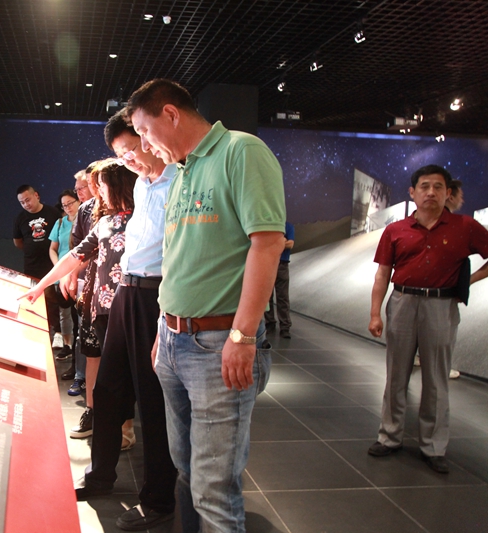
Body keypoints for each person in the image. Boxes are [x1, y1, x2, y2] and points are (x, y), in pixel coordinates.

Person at [127, 78, 285, 533]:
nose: (144, 145)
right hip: (173, 341)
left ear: (171, 114)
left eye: (145, 131)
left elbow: (267, 244)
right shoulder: (181, 172)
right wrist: (164, 326)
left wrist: (243, 335)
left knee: (214, 489)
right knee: (187, 470)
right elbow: (176, 258)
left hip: (218, 344)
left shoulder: (241, 151)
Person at [72, 111, 178, 531]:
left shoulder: (178, 181)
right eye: (121, 154)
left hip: (156, 294)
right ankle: (100, 476)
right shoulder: (141, 184)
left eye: (133, 147)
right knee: (107, 389)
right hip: (125, 293)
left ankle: (158, 497)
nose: (130, 157)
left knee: (152, 399)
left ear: (150, 138)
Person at [367, 165, 488, 474]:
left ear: (448, 193)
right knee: (396, 374)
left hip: (442, 306)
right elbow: (382, 273)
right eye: (424, 186)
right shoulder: (396, 230)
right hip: (402, 302)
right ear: (413, 192)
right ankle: (389, 436)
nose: (431, 192)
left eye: (438, 187)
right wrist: (375, 313)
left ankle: (433, 446)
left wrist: (468, 282)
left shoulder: (465, 226)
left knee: (436, 378)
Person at [20, 161, 137, 436]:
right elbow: (74, 255)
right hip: (101, 306)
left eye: (102, 185)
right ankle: (109, 424)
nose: (98, 191)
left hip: (131, 306)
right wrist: (42, 285)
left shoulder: (143, 219)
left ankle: (126, 428)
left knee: (128, 370)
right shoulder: (105, 222)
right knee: (107, 366)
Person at [60, 169, 95, 392]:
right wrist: (71, 274)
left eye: (83, 187)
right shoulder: (84, 211)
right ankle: (80, 376)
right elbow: (78, 248)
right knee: (83, 331)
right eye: (77, 189)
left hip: (106, 283)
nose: (80, 192)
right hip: (83, 279)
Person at [12, 184, 61, 342]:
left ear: (36, 196)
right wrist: (31, 249)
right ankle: (37, 333)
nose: (26, 204)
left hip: (51, 264)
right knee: (34, 299)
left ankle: (57, 333)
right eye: (22, 202)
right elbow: (17, 242)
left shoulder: (52, 213)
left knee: (52, 300)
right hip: (31, 266)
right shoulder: (20, 218)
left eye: (27, 200)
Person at [48, 189, 80, 358]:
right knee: (64, 312)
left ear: (78, 201)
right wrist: (59, 267)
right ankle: (68, 346)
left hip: (79, 273)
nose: (68, 207)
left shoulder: (86, 219)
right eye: (64, 205)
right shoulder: (60, 223)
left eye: (70, 203)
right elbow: (52, 249)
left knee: (79, 313)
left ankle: (80, 347)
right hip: (62, 275)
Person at [264, 221, 295, 338]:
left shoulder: (288, 226)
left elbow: (290, 244)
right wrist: (282, 242)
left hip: (282, 264)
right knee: (267, 297)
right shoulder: (268, 227)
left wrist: (274, 243)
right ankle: (270, 323)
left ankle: (285, 327)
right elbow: (264, 244)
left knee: (283, 296)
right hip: (268, 263)